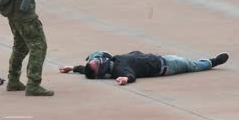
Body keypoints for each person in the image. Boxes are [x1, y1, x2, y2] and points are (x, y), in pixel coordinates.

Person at [59, 51, 229, 84]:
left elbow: (86, 70)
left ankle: (209, 61)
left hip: (155, 57)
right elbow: (130, 75)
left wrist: (73, 68)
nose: (96, 60)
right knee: (191, 65)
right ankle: (212, 62)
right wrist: (126, 79)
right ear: (101, 69)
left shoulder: (110, 62)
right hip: (166, 65)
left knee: (96, 51)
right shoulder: (119, 69)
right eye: (96, 62)